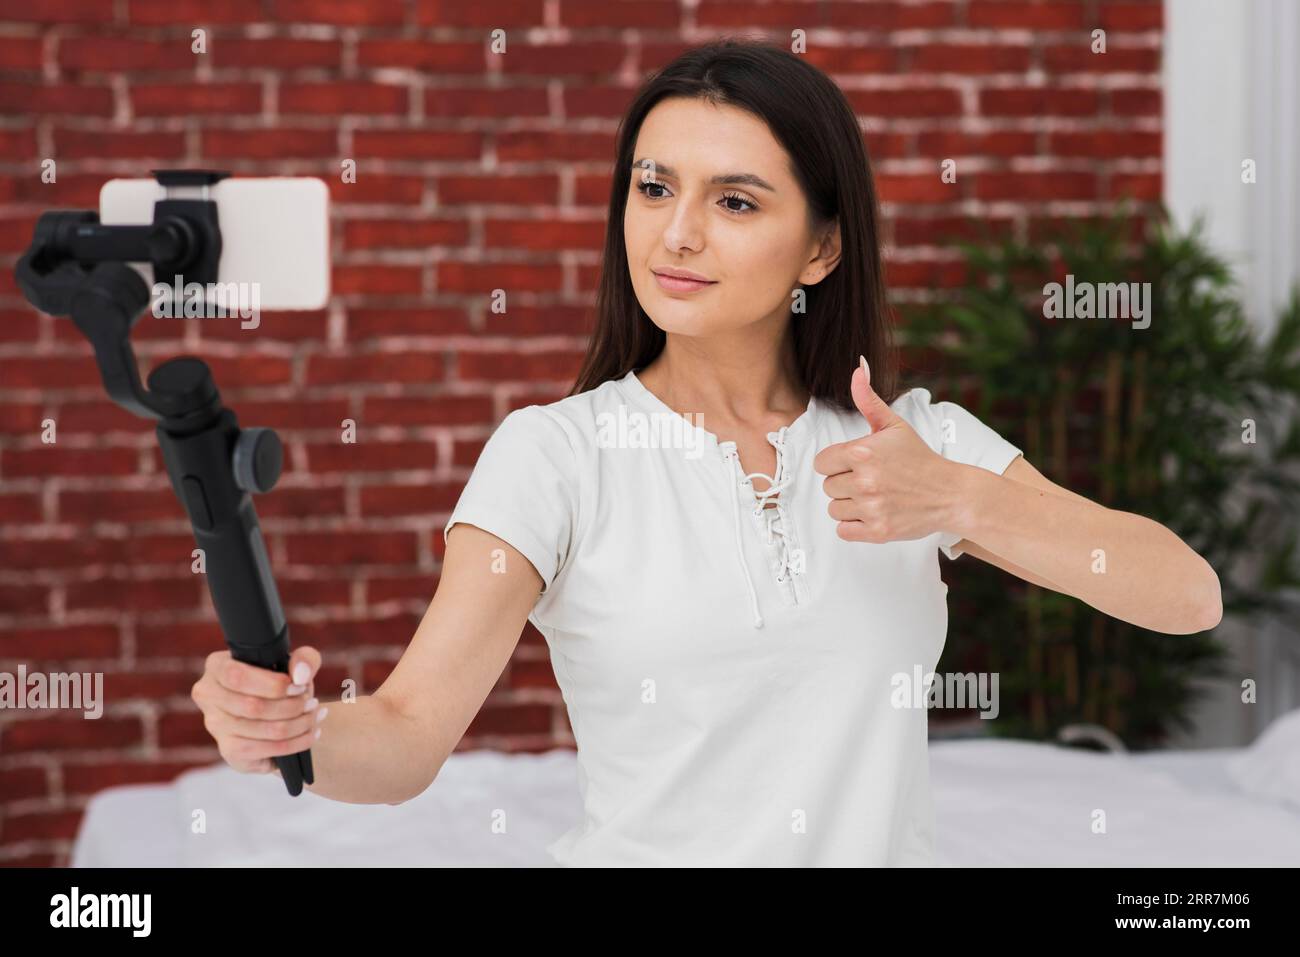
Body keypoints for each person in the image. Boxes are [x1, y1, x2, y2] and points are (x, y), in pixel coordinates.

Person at [191, 39, 1223, 866]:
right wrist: (291, 733)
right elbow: (410, 736)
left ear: (820, 246)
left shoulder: (915, 445)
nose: (675, 234)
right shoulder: (554, 455)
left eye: (733, 201)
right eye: (652, 188)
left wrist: (958, 499)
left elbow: (1185, 594)